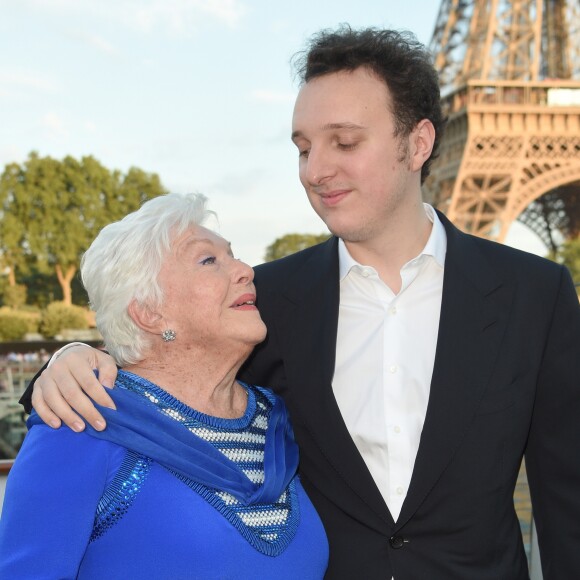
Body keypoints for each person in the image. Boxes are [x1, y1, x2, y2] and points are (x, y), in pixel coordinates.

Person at [21, 26, 580, 579]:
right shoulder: (265, 303)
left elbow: (567, 498)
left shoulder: (536, 295)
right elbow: (164, 371)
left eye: (345, 142)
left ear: (419, 143)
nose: (315, 171)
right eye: (304, 148)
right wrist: (68, 356)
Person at [1, 193, 328, 579]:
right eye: (209, 260)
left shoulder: (278, 420)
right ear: (149, 312)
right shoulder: (82, 422)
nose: (245, 269)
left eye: (233, 255)